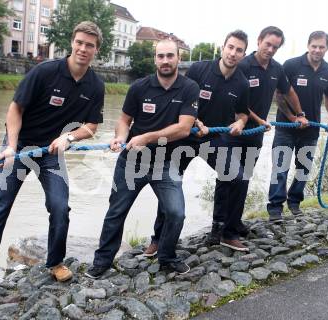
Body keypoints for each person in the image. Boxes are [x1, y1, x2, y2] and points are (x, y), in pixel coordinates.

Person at [0, 21, 105, 304]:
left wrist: (69, 138)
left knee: (60, 207)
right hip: (18, 148)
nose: (83, 48)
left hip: (51, 152)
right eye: (79, 42)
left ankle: (55, 262)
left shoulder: (96, 85)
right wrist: (11, 147)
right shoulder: (45, 71)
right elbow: (15, 109)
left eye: (89, 45)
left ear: (96, 50)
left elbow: (91, 126)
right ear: (72, 42)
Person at [84, 39, 200, 279]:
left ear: (178, 58)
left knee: (176, 213)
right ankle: (102, 262)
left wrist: (147, 137)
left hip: (166, 163)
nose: (165, 61)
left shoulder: (190, 88)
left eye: (170, 56)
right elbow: (125, 120)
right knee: (116, 211)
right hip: (131, 162)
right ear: (155, 59)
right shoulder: (139, 87)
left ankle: (166, 256)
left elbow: (183, 129)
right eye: (161, 56)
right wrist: (120, 137)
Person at [143, 30, 251, 255]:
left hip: (213, 140)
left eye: (239, 50)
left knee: (238, 177)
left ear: (243, 54)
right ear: (223, 48)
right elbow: (180, 99)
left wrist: (240, 123)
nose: (233, 53)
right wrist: (195, 120)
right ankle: (158, 238)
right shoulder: (199, 69)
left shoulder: (242, 82)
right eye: (230, 47)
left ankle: (226, 233)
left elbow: (243, 113)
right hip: (184, 137)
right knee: (170, 185)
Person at [212, 26, 308, 237]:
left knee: (244, 179)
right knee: (226, 178)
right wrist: (260, 120)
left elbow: (288, 91)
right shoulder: (243, 65)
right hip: (233, 133)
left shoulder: (277, 69)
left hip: (255, 136)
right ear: (259, 41)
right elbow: (237, 101)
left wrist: (298, 114)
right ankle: (218, 224)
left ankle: (234, 222)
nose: (271, 49)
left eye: (275, 46)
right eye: (268, 44)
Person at [267, 31, 328, 221]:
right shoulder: (291, 65)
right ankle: (275, 208)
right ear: (308, 45)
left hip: (311, 130)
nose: (317, 50)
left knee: (303, 169)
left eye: (321, 47)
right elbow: (279, 95)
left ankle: (294, 202)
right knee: (280, 168)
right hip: (285, 127)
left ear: (327, 48)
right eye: (314, 46)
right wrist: (292, 117)